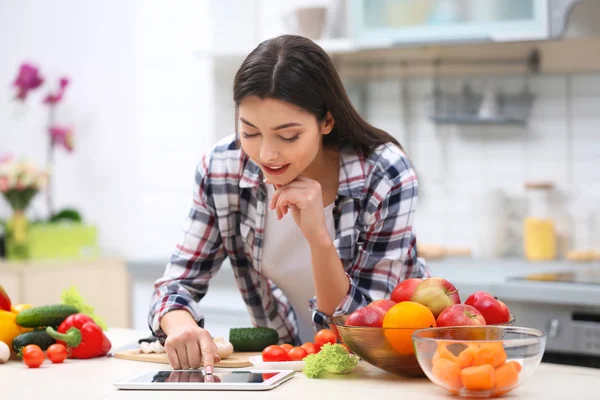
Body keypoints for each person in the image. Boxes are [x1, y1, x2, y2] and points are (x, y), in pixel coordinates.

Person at [148, 34, 428, 373]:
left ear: (327, 120)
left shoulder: (384, 174)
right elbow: (177, 284)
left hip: (384, 367)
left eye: (288, 136)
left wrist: (318, 237)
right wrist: (180, 325)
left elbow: (362, 327)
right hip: (288, 368)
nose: (266, 154)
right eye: (250, 132)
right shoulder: (223, 169)